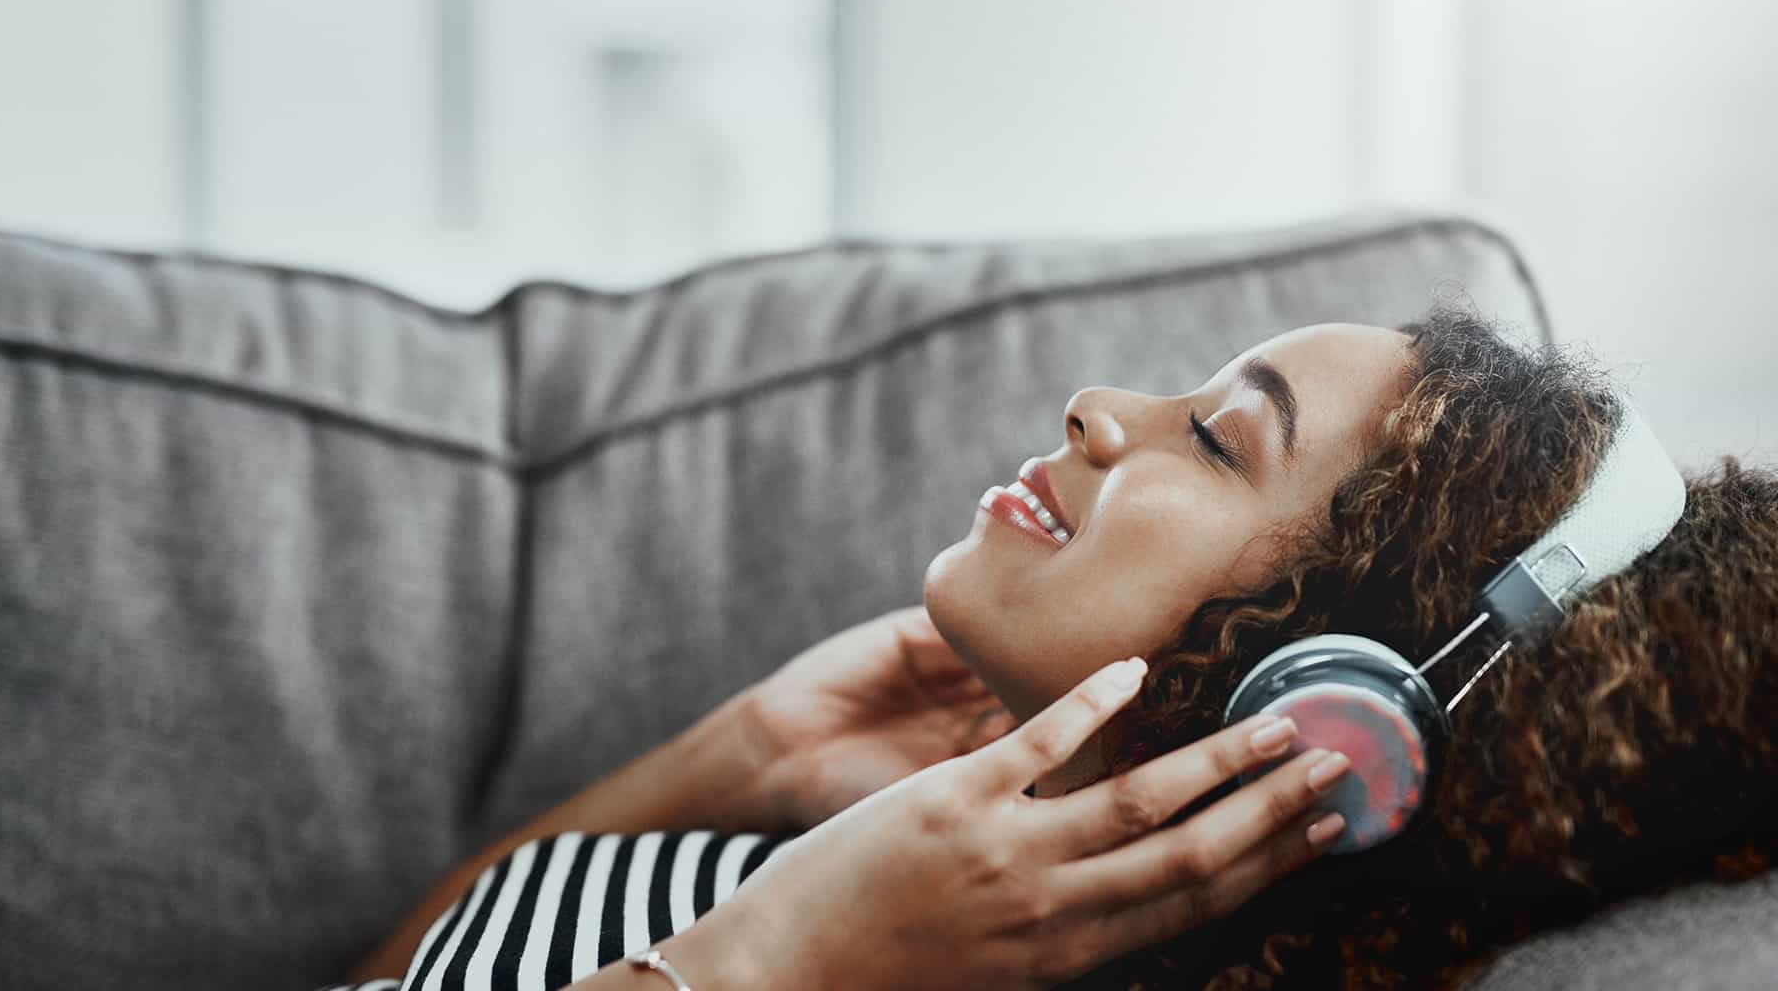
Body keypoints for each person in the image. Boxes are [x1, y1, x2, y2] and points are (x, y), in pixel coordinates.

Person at [337, 305, 1778, 989]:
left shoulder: (855, 946)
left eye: (1217, 440)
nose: (1098, 406)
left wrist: (782, 961)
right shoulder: (876, 860)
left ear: (1337, 703)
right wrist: (750, 758)